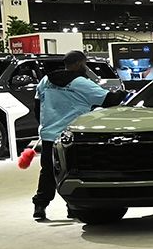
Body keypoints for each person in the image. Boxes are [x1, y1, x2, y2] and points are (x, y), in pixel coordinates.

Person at [31, 51, 115, 222]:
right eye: (84, 63)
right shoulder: (81, 82)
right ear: (79, 64)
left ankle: (40, 206)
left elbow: (37, 105)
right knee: (73, 172)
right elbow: (108, 99)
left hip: (49, 135)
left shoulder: (45, 80)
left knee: (47, 172)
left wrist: (45, 125)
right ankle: (73, 207)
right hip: (71, 136)